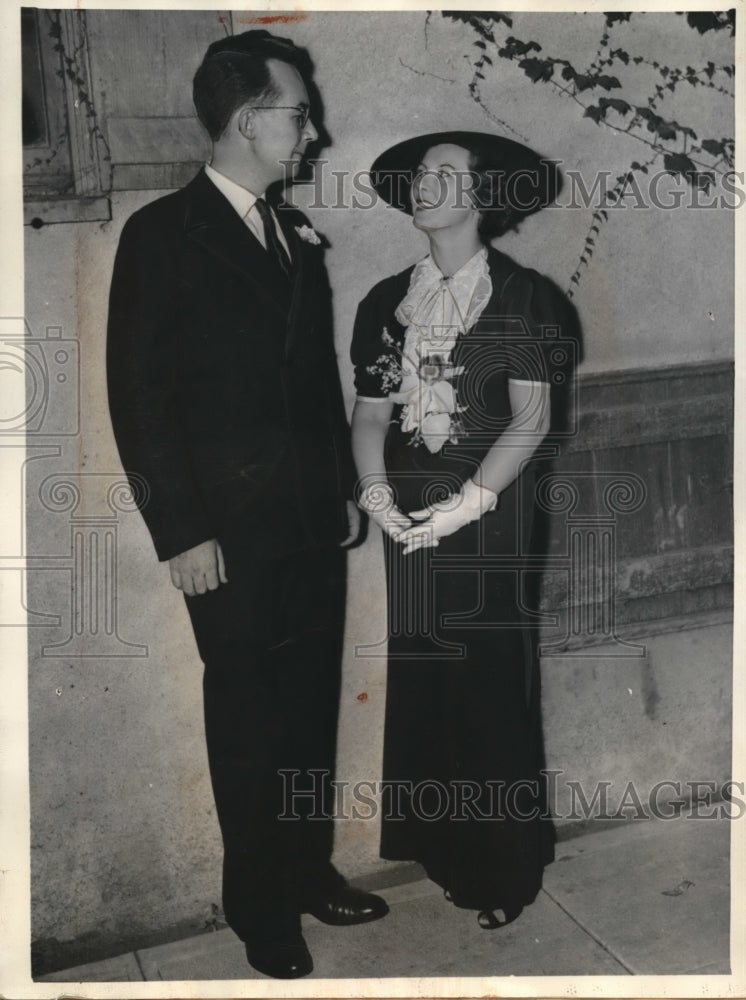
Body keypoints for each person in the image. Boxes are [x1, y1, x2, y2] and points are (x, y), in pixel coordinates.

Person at [106, 29, 387, 980]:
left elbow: (312, 384)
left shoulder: (290, 232)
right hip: (225, 536)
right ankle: (257, 906)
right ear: (244, 120)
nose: (313, 132)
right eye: (298, 113)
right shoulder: (160, 236)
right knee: (250, 720)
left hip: (309, 519)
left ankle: (306, 872)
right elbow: (138, 400)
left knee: (308, 709)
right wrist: (180, 531)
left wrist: (343, 493)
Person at [351, 131, 578, 930]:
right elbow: (372, 413)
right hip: (406, 519)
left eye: (446, 174)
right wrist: (377, 494)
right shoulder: (386, 299)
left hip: (490, 512)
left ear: (482, 197)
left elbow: (533, 419)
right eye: (421, 173)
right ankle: (445, 853)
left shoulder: (522, 296)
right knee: (425, 677)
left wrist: (463, 505)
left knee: (485, 681)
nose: (425, 183)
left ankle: (504, 872)